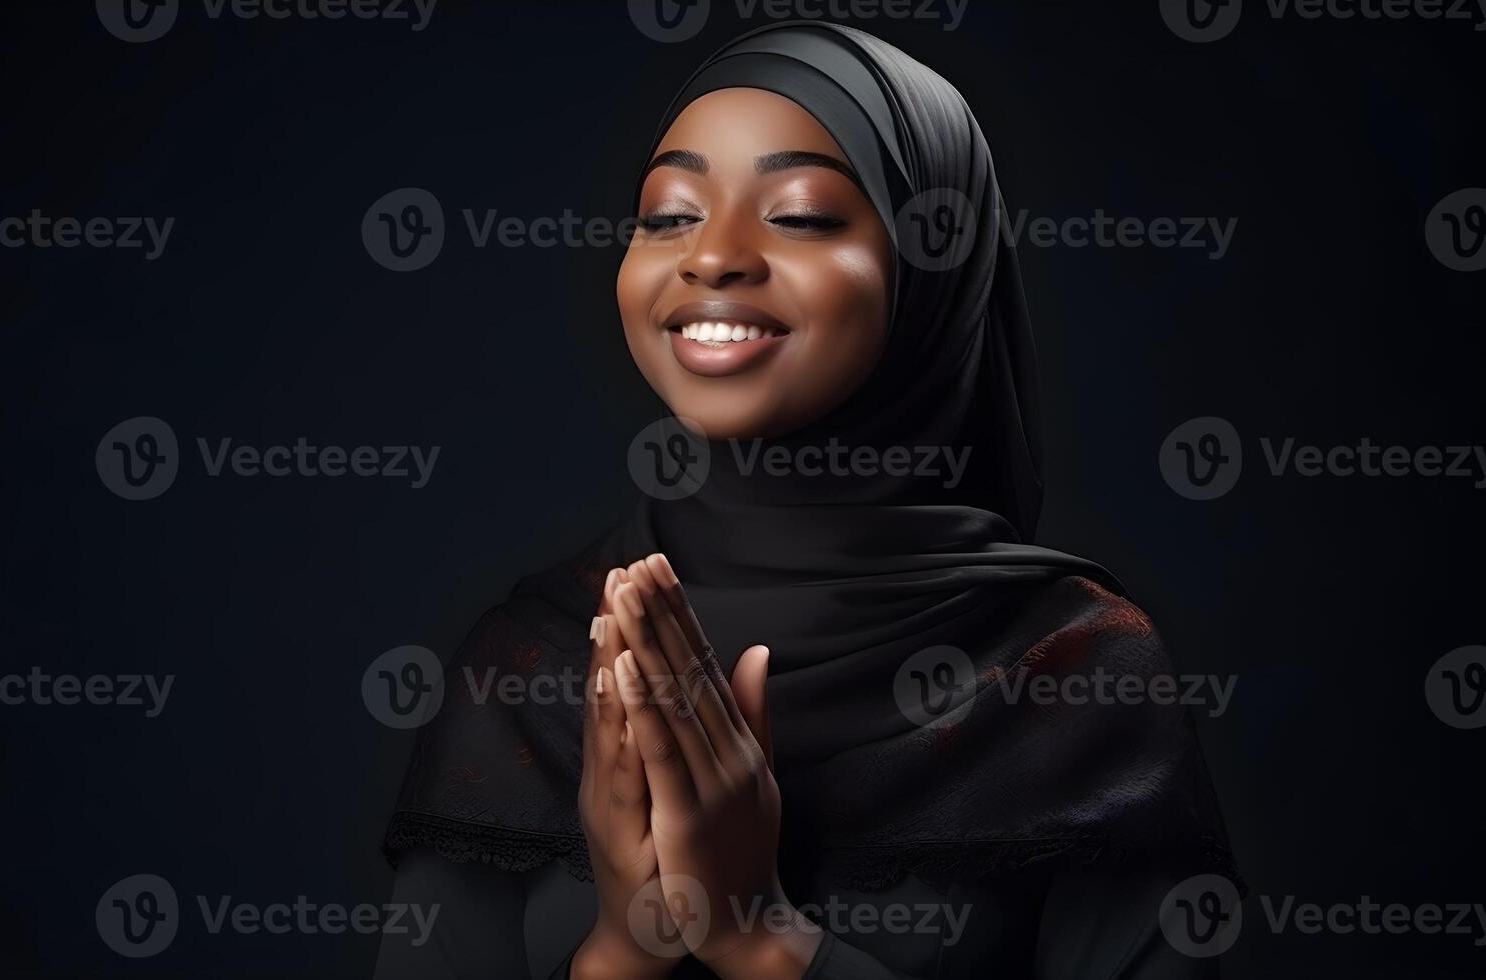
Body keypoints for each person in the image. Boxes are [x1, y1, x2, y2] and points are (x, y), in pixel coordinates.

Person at [375, 22, 1239, 979]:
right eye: (668, 214)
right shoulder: (531, 662)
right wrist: (621, 953)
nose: (713, 256)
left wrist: (765, 942)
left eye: (799, 215)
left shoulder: (1071, 672)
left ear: (932, 270)